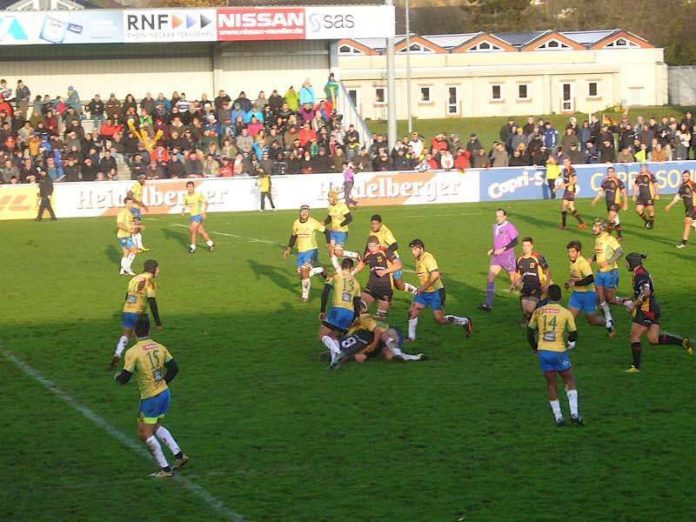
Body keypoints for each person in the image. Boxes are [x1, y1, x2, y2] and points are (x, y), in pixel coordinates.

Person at [114, 315, 188, 478]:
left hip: (151, 398)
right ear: (149, 329)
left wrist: (117, 377)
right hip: (164, 394)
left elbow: (125, 379)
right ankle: (179, 456)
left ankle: (166, 470)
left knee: (144, 433)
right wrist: (162, 383)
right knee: (155, 427)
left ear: (134, 331)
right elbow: (174, 368)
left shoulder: (133, 352)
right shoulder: (160, 347)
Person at [618, 253, 693, 373]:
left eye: (627, 262)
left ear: (633, 262)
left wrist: (634, 304)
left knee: (634, 336)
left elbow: (646, 292)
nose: (626, 264)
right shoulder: (640, 272)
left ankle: (636, 367)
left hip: (646, 310)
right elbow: (641, 290)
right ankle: (682, 342)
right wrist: (630, 297)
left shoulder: (640, 275)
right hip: (654, 308)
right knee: (653, 339)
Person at [527, 284, 583, 427]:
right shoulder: (565, 313)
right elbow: (573, 333)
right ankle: (574, 414)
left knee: (551, 384)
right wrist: (570, 343)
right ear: (560, 297)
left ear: (548, 296)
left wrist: (535, 348)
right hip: (559, 351)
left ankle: (558, 418)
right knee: (569, 380)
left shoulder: (538, 312)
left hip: (543, 352)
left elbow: (529, 333)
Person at [407, 239, 472, 342]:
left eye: (415, 249)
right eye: (412, 249)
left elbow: (435, 275)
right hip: (425, 292)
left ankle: (464, 321)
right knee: (412, 312)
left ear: (421, 248)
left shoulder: (428, 258)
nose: (413, 252)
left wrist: (423, 287)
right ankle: (411, 337)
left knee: (440, 320)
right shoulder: (418, 259)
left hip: (436, 292)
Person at [328, 312, 426, 369]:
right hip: (378, 343)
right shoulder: (349, 333)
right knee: (389, 357)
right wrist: (349, 358)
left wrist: (374, 345)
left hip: (389, 332)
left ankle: (397, 351)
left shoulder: (363, 318)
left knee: (384, 334)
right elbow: (362, 356)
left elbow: (378, 331)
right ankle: (417, 357)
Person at [112, 259, 163, 367]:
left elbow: (127, 296)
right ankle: (145, 363)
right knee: (144, 338)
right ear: (153, 269)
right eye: (158, 269)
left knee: (126, 335)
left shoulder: (134, 279)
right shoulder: (149, 281)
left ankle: (117, 353)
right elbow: (152, 301)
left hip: (127, 310)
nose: (159, 271)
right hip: (138, 313)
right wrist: (158, 322)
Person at [565, 241, 615, 336]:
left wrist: (575, 283)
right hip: (576, 295)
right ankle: (571, 341)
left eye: (572, 252)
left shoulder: (583, 263)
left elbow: (590, 278)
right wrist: (569, 283)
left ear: (579, 252)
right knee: (569, 319)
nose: (570, 254)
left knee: (593, 321)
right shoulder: (572, 261)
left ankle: (608, 324)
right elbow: (575, 277)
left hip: (588, 295)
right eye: (569, 251)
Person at [318, 258, 361, 367]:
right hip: (350, 313)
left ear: (341, 266)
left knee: (322, 335)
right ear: (351, 269)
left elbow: (325, 292)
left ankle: (337, 352)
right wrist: (356, 317)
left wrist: (322, 310)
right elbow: (357, 302)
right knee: (334, 336)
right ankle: (334, 363)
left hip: (338, 309)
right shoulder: (356, 283)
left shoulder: (336, 276)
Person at [284, 205, 330, 302]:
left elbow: (327, 231)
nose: (304, 213)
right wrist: (288, 249)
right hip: (301, 253)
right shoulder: (296, 223)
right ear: (299, 212)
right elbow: (293, 236)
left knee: (305, 273)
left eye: (306, 211)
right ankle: (321, 270)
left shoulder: (313, 222)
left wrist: (329, 244)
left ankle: (305, 297)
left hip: (312, 251)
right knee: (301, 275)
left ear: (309, 212)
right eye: (302, 211)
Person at [352, 235, 402, 323]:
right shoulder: (368, 253)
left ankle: (376, 332)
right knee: (358, 308)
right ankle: (357, 331)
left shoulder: (386, 251)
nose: (371, 249)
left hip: (385, 287)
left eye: (374, 246)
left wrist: (385, 271)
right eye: (369, 246)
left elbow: (398, 265)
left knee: (380, 319)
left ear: (378, 245)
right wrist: (353, 272)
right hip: (372, 286)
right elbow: (363, 263)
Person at [367, 214, 417, 295]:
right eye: (372, 224)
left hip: (393, 260)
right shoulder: (372, 231)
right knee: (381, 279)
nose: (373, 226)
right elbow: (370, 243)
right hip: (382, 260)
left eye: (376, 224)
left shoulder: (385, 232)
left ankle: (416, 292)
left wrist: (385, 254)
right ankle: (381, 298)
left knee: (399, 285)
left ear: (380, 224)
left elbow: (395, 245)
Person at [480, 209, 518, 312]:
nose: (498, 218)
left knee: (514, 281)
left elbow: (515, 241)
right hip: (497, 257)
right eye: (497, 216)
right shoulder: (495, 226)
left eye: (500, 216)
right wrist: (493, 249)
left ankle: (529, 299)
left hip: (508, 256)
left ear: (505, 216)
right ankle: (488, 304)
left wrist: (503, 249)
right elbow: (497, 241)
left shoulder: (510, 227)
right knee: (490, 278)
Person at [514, 237, 551, 326]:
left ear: (531, 246)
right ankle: (530, 322)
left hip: (537, 287)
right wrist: (515, 283)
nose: (525, 248)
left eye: (527, 246)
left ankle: (542, 309)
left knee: (529, 309)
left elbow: (547, 272)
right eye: (524, 246)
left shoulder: (538, 258)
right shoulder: (519, 260)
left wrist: (547, 284)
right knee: (525, 310)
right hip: (526, 288)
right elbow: (519, 273)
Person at [592, 218, 623, 321]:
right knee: (599, 297)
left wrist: (609, 261)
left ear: (602, 228)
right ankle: (608, 320)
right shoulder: (598, 239)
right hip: (600, 272)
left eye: (595, 226)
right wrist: (592, 259)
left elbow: (620, 251)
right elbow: (599, 253)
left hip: (610, 272)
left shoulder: (609, 238)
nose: (593, 228)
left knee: (611, 299)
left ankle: (629, 303)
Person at [591, 166, 628, 240]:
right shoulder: (605, 181)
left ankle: (606, 235)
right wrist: (595, 200)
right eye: (608, 172)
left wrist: (625, 203)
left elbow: (624, 192)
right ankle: (620, 236)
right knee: (615, 220)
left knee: (610, 218)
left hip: (616, 203)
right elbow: (601, 191)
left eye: (611, 172)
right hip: (608, 203)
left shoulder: (618, 181)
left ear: (614, 173)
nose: (609, 173)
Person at [665, 170, 696, 248]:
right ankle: (684, 242)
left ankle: (683, 243)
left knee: (687, 222)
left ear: (689, 177)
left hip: (694, 207)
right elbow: (678, 197)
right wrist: (670, 205)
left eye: (686, 176)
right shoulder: (682, 186)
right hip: (688, 208)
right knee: (690, 224)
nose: (684, 178)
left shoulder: (693, 184)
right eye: (683, 176)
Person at [181, 181, 215, 254]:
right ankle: (211, 244)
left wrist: (204, 212)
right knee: (201, 232)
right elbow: (185, 204)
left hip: (199, 215)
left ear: (193, 187)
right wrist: (183, 210)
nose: (190, 188)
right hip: (193, 216)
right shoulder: (186, 196)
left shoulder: (198, 195)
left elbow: (206, 203)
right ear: (187, 188)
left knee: (192, 230)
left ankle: (193, 247)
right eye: (188, 187)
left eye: (191, 187)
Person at [325, 189, 359, 260]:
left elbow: (349, 218)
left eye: (330, 197)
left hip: (342, 232)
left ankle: (355, 255)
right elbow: (330, 218)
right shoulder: (330, 206)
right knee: (330, 251)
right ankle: (337, 269)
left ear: (334, 198)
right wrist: (323, 223)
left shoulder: (341, 206)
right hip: (333, 232)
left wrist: (339, 225)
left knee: (337, 252)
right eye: (328, 197)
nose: (328, 199)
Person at [559, 158, 586, 230]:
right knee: (570, 206)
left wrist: (565, 185)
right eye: (564, 161)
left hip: (570, 189)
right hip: (567, 189)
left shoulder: (571, 170)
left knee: (564, 205)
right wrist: (561, 185)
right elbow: (565, 180)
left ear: (569, 162)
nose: (565, 163)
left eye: (566, 161)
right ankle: (581, 223)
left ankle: (564, 225)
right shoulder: (564, 170)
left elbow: (575, 180)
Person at [116, 197, 140, 276]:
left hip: (126, 235)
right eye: (129, 203)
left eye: (131, 203)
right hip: (123, 236)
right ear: (125, 204)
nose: (130, 204)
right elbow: (119, 224)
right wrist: (128, 230)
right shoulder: (122, 212)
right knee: (135, 251)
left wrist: (137, 227)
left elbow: (130, 224)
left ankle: (123, 270)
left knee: (126, 253)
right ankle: (127, 268)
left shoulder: (130, 213)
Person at [127, 174, 150, 252]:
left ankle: (140, 247)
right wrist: (137, 202)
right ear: (138, 179)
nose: (143, 180)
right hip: (133, 208)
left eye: (144, 179)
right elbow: (129, 194)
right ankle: (134, 247)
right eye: (142, 179)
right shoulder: (136, 185)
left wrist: (144, 206)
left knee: (138, 228)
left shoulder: (141, 186)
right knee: (136, 228)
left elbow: (139, 199)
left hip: (137, 208)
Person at [633, 164, 659, 229]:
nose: (642, 168)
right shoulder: (638, 176)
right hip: (641, 196)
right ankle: (646, 221)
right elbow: (636, 186)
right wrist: (634, 195)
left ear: (646, 168)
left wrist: (657, 194)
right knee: (638, 210)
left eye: (643, 167)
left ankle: (651, 224)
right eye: (641, 167)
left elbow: (655, 184)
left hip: (649, 195)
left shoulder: (650, 175)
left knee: (650, 210)